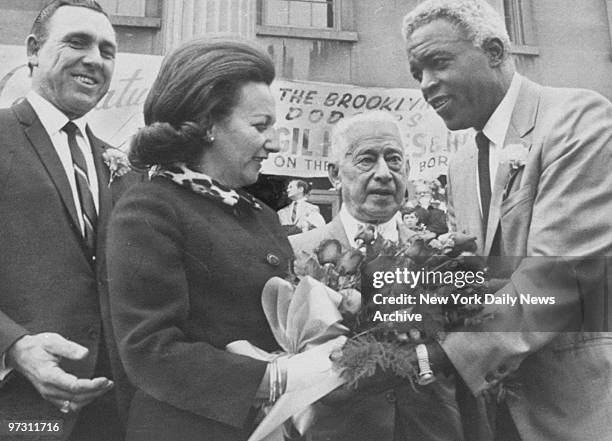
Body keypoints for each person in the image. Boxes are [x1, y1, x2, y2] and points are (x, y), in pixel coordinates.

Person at [106, 37, 343, 441]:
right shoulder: (148, 208)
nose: (274, 142)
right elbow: (150, 350)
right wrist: (273, 377)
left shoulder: (261, 215)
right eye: (260, 126)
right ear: (208, 125)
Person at [402, 1, 612, 440]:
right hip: (495, 414)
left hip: (576, 410)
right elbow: (488, 278)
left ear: (495, 51)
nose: (425, 84)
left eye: (437, 63)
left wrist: (440, 357)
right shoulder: (461, 164)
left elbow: (560, 275)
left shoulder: (578, 120)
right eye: (416, 72)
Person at [0, 1, 138, 439]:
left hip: (110, 415)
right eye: (77, 42)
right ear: (34, 50)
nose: (95, 59)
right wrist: (13, 347)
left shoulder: (116, 163)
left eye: (107, 50)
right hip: (15, 412)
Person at [291, 111, 463, 441]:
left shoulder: (440, 256)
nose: (384, 174)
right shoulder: (299, 253)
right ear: (334, 174)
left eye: (394, 160)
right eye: (367, 160)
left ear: (407, 171)